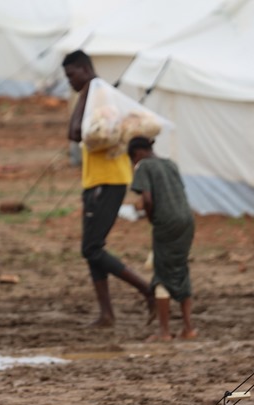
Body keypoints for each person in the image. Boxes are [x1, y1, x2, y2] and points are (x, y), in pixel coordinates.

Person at [62, 50, 153, 328]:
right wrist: (84, 91)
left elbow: (75, 132)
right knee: (93, 247)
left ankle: (146, 289)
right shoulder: (96, 93)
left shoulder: (99, 95)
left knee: (91, 248)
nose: (70, 83)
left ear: (85, 69)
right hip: (96, 181)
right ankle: (106, 314)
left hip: (108, 180)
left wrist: (85, 92)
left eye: (72, 76)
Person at [128, 136, 197, 342]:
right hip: (186, 220)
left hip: (166, 223)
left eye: (133, 160)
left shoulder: (144, 167)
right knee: (180, 269)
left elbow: (147, 199)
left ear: (137, 154)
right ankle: (188, 328)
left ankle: (164, 332)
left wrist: (150, 218)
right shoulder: (170, 164)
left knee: (162, 274)